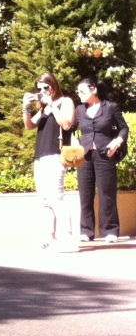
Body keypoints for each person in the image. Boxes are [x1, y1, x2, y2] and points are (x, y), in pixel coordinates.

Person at [23, 73, 77, 250]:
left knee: (57, 196)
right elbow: (29, 126)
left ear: (53, 85)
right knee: (44, 199)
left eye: (46, 87)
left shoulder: (64, 102)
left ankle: (67, 236)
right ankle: (48, 236)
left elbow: (67, 124)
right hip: (40, 155)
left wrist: (52, 105)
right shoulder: (43, 109)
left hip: (56, 154)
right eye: (39, 89)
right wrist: (26, 108)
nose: (43, 91)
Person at [74, 77, 129, 243]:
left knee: (107, 193)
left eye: (82, 91)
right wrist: (74, 142)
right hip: (85, 156)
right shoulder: (79, 110)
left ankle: (110, 230)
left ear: (94, 90)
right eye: (78, 92)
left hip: (106, 154)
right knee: (85, 194)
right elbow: (69, 129)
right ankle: (86, 231)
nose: (79, 95)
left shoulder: (110, 107)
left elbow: (123, 128)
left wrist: (117, 142)